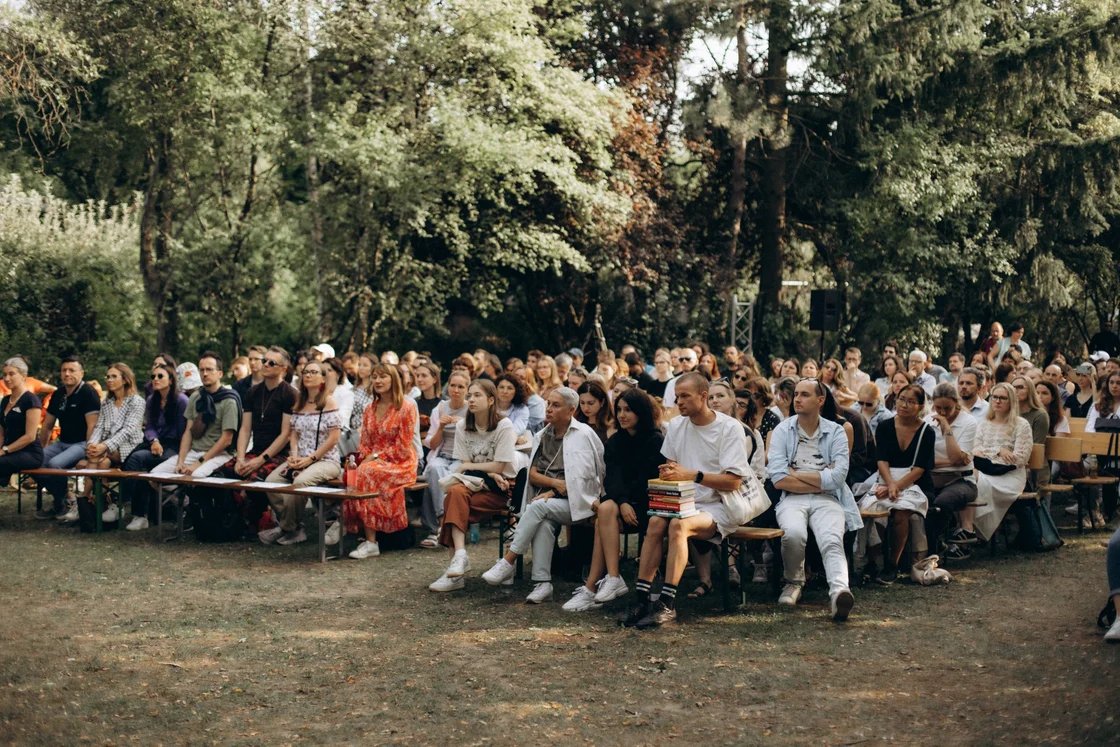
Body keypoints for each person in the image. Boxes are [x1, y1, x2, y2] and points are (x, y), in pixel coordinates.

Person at [617, 373, 760, 629]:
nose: (679, 402)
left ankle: (667, 604)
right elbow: (671, 469)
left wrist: (693, 475)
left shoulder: (729, 428)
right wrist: (669, 477)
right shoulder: (677, 426)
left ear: (703, 396)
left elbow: (734, 482)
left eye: (685, 396)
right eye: (677, 396)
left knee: (679, 525)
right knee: (655, 522)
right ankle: (642, 600)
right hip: (683, 501)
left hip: (721, 504)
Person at [481, 387, 605, 603]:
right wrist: (554, 485)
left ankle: (509, 560)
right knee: (544, 521)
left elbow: (586, 478)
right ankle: (543, 584)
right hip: (552, 502)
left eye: (556, 405)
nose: (548, 409)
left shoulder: (583, 435)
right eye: (548, 403)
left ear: (571, 410)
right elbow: (532, 474)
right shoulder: (542, 435)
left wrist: (553, 490)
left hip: (582, 503)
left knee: (537, 507)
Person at [767, 378, 862, 621]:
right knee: (793, 534)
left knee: (831, 539)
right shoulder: (782, 430)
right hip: (792, 498)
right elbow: (778, 478)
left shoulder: (836, 431)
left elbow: (838, 478)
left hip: (828, 498)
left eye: (805, 394)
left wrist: (796, 473)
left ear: (820, 400)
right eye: (796, 394)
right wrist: (821, 476)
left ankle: (839, 591)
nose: (797, 399)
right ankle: (794, 582)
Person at [563, 388, 664, 611]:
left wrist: (625, 501)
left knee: (603, 516)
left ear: (641, 411)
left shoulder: (655, 440)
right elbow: (612, 478)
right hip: (622, 505)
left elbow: (647, 480)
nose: (622, 415)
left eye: (628, 410)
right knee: (606, 508)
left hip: (648, 506)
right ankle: (612, 577)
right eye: (618, 409)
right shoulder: (616, 441)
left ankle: (592, 587)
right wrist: (623, 502)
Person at [428, 380, 520, 592]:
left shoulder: (504, 425)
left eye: (477, 395)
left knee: (453, 498)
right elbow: (466, 467)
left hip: (502, 488)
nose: (470, 399)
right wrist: (483, 470)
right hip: (475, 484)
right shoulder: (462, 426)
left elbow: (499, 466)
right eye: (469, 395)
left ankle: (456, 571)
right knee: (455, 493)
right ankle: (459, 558)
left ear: (491, 400)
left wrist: (477, 468)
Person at [860, 384, 935, 584]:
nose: (904, 405)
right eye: (901, 399)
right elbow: (881, 460)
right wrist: (890, 484)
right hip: (885, 479)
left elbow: (920, 468)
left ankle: (892, 564)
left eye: (911, 401)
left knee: (901, 513)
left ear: (920, 406)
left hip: (916, 483)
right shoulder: (885, 426)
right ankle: (874, 559)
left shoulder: (927, 431)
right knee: (872, 511)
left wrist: (896, 487)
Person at [263, 358, 342, 546]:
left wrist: (311, 458)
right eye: (306, 372)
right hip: (301, 459)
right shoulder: (300, 402)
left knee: (299, 483)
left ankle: (288, 528)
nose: (308, 375)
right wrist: (294, 455)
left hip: (326, 460)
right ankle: (294, 526)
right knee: (271, 482)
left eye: (314, 372)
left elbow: (334, 438)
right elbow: (294, 434)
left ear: (323, 378)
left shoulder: (329, 402)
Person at [344, 363, 419, 559]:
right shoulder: (369, 408)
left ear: (394, 380)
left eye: (383, 376)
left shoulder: (407, 407)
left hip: (401, 462)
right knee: (354, 472)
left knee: (366, 472)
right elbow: (365, 443)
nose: (377, 381)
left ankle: (371, 542)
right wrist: (365, 458)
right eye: (375, 377)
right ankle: (358, 530)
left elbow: (403, 446)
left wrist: (375, 457)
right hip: (373, 461)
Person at [152, 352, 242, 478]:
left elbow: (226, 439)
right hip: (194, 452)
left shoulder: (229, 400)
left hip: (220, 454)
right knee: (155, 475)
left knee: (195, 476)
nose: (205, 374)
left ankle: (185, 489)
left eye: (209, 369)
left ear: (220, 374)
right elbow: (188, 432)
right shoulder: (196, 397)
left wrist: (199, 463)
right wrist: (180, 461)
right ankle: (178, 491)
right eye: (202, 370)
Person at [122, 363, 189, 530]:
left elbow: (184, 433)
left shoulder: (181, 401)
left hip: (176, 446)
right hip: (156, 442)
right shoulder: (152, 399)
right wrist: (154, 441)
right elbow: (150, 426)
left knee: (138, 459)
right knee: (132, 459)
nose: (155, 379)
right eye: (153, 376)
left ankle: (129, 507)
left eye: (160, 376)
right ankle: (137, 512)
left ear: (171, 380)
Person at [35, 356, 101, 521]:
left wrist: (89, 453)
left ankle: (61, 503)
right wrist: (40, 449)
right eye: (64, 370)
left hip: (82, 443)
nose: (67, 374)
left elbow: (92, 427)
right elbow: (47, 425)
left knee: (54, 464)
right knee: (34, 462)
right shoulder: (59, 394)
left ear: (82, 373)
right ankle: (65, 498)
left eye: (72, 370)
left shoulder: (88, 393)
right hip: (62, 442)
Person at [79, 363, 145, 521]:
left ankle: (85, 498)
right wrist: (92, 444)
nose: (109, 380)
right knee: (100, 462)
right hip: (108, 448)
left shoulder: (137, 401)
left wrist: (104, 446)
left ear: (125, 379)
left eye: (114, 376)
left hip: (130, 446)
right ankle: (101, 504)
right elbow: (99, 427)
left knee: (96, 457)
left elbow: (128, 430)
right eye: (108, 376)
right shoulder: (106, 403)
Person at [925, 383, 979, 562]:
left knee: (942, 503)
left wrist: (947, 429)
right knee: (922, 502)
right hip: (934, 478)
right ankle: (931, 546)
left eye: (947, 408)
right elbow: (925, 460)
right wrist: (951, 462)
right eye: (938, 408)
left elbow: (956, 458)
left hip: (962, 480)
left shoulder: (968, 422)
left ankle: (933, 549)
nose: (942, 412)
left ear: (956, 403)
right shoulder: (927, 421)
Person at [972, 382, 1033, 542]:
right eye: (995, 397)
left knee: (977, 482)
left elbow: (1020, 458)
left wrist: (989, 453)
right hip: (985, 470)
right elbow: (976, 451)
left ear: (1011, 401)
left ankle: (976, 533)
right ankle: (970, 530)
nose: (997, 401)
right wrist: (999, 451)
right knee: (969, 481)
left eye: (1003, 398)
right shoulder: (984, 424)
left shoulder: (1022, 425)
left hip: (1010, 475)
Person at [418, 371, 469, 548]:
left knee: (447, 476)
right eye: (453, 385)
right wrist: (440, 427)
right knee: (434, 469)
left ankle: (438, 529)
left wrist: (464, 425)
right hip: (442, 455)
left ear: (467, 389)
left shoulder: (472, 410)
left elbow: (477, 440)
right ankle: (443, 522)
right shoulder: (439, 409)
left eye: (461, 386)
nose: (456, 390)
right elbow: (432, 444)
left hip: (462, 459)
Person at [0, 358, 44, 490]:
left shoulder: (31, 400)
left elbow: (30, 436)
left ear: (23, 376)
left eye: (11, 374)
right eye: (4, 374)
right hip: (9, 452)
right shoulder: (5, 401)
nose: (6, 378)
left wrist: (4, 450)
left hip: (30, 453)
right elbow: (1, 432)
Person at [349, 353, 377, 453]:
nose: (361, 368)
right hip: (352, 433)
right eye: (359, 365)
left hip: (369, 434)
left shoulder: (376, 391)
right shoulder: (353, 389)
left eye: (365, 365)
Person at [1012, 376, 1049, 445]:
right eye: (1012, 388)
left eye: (1020, 387)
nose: (1015, 390)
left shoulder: (1040, 415)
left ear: (1030, 390)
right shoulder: (1007, 412)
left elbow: (1037, 445)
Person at [413, 361, 444, 444]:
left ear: (434, 379)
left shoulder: (444, 403)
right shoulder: (413, 403)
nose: (419, 379)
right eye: (417, 376)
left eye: (424, 376)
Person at [575, 380, 612, 445]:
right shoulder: (575, 422)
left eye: (591, 403)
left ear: (602, 402)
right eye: (582, 403)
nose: (586, 408)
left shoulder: (611, 425)